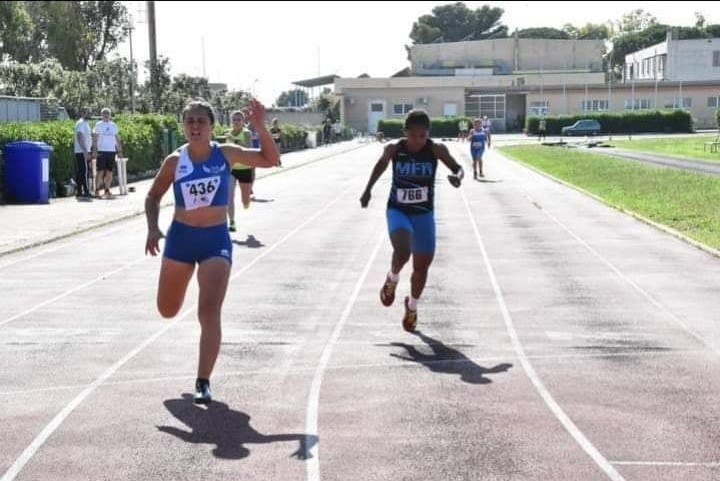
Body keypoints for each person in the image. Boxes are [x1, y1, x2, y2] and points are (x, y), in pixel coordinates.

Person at [144, 98, 279, 404]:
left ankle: (203, 380)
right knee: (167, 310)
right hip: (181, 239)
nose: (195, 126)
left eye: (201, 121)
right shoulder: (175, 162)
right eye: (189, 121)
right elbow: (152, 197)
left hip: (215, 241)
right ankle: (200, 377)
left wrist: (260, 127)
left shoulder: (226, 153)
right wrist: (153, 228)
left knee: (209, 311)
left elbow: (270, 159)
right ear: (183, 126)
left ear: (211, 126)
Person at [360, 110, 464, 332]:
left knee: (422, 266)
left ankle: (412, 306)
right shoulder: (394, 149)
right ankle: (392, 278)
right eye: (413, 135)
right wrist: (368, 189)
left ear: (428, 134)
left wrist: (457, 177)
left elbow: (458, 169)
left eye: (422, 136)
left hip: (424, 214)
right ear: (405, 132)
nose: (417, 140)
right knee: (403, 251)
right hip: (398, 210)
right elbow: (380, 165)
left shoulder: (436, 149)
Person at [225, 110, 253, 232]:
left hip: (245, 169)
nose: (236, 122)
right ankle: (232, 222)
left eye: (239, 120)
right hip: (231, 169)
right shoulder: (228, 134)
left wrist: (235, 141)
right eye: (234, 120)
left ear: (243, 121)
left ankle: (246, 202)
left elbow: (248, 148)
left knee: (245, 200)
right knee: (229, 196)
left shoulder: (246, 133)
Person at [93, 108, 123, 198]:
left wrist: (119, 151)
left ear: (110, 115)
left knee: (109, 172)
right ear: (101, 115)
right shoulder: (98, 125)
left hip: (111, 151)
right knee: (100, 171)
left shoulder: (113, 125)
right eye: (104, 113)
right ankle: (97, 190)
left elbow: (117, 138)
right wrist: (94, 150)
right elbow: (95, 138)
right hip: (102, 150)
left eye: (107, 114)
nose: (106, 115)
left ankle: (107, 190)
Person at [73, 107, 93, 198]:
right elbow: (79, 136)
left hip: (82, 151)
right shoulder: (81, 123)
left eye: (89, 112)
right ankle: (86, 191)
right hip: (82, 151)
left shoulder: (85, 123)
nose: (88, 114)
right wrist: (85, 151)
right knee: (85, 171)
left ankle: (79, 191)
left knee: (81, 171)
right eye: (86, 112)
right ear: (82, 113)